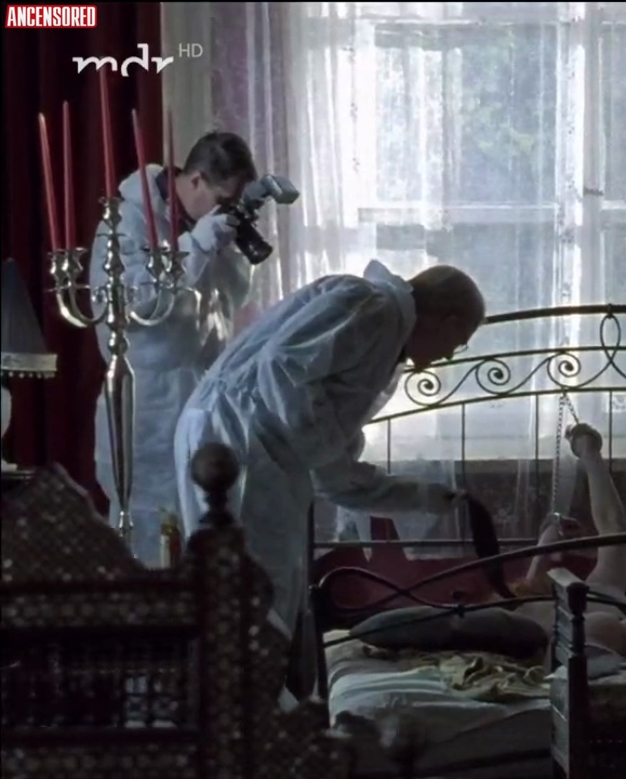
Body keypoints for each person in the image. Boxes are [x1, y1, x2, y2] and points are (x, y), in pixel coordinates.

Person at [173, 261, 486, 647]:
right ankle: (240, 681)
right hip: (237, 440)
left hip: (247, 441)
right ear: (449, 323)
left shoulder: (382, 327)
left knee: (263, 587)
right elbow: (284, 367)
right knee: (252, 586)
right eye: (459, 342)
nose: (450, 356)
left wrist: (425, 497)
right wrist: (329, 459)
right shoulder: (372, 307)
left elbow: (334, 472)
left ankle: (252, 680)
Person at [90, 131, 257, 564]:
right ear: (197, 180)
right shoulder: (125, 221)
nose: (225, 211)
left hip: (205, 393)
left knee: (210, 520)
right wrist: (195, 245)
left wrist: (230, 248)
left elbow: (232, 298)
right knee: (149, 528)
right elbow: (128, 301)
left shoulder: (206, 222)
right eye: (223, 200)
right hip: (148, 401)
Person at [504, 422, 626, 661]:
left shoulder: (531, 610)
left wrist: (547, 538)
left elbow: (612, 526)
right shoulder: (602, 589)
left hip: (587, 637)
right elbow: (612, 524)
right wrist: (589, 452)